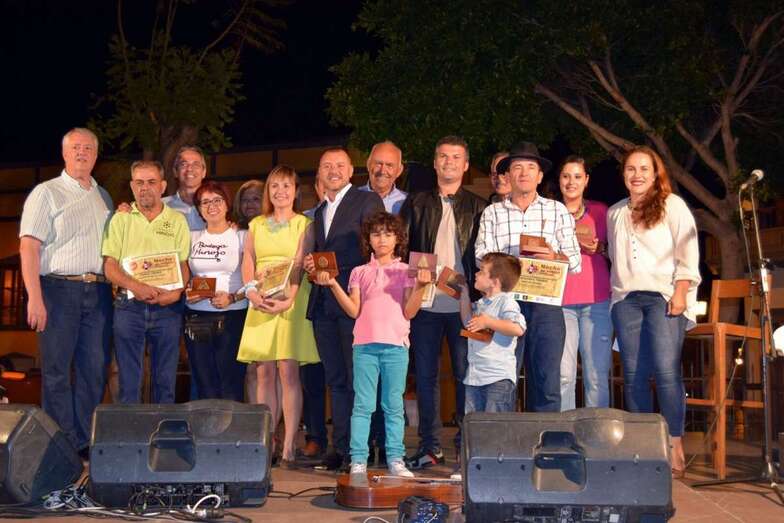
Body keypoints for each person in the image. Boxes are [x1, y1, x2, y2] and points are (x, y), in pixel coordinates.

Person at [313, 211, 430, 477]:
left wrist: (421, 286)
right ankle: (359, 460)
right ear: (368, 239)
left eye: (388, 233)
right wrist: (333, 284)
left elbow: (410, 312)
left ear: (398, 238)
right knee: (363, 406)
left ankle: (395, 459)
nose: (382, 239)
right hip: (364, 346)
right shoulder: (359, 272)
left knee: (393, 406)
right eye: (376, 234)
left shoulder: (406, 271)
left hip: (396, 347)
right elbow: (354, 310)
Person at [18, 127, 113, 456]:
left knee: (95, 369)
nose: (82, 153)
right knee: (57, 371)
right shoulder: (47, 192)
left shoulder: (104, 198)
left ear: (96, 155)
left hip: (99, 293)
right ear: (64, 153)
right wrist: (34, 296)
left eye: (88, 148)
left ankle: (85, 440)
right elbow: (29, 245)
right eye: (76, 148)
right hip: (59, 290)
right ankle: (62, 443)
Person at [607, 145, 700, 477]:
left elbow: (687, 249)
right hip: (626, 301)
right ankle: (645, 445)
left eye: (644, 168)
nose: (637, 174)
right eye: (631, 168)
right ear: (624, 174)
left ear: (656, 172)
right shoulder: (615, 212)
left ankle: (674, 441)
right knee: (632, 375)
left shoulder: (672, 205)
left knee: (665, 371)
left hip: (664, 297)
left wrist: (681, 290)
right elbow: (617, 259)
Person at [400, 136, 487, 469]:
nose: (449, 162)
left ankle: (467, 445)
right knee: (425, 377)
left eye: (456, 157)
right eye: (443, 157)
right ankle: (429, 447)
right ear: (435, 163)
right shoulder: (416, 203)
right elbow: (404, 251)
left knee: (468, 375)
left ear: (466, 165)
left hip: (465, 307)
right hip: (425, 306)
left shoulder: (479, 207)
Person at [475, 141, 581, 413]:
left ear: (540, 176)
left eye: (530, 167)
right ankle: (504, 448)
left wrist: (552, 258)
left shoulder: (557, 210)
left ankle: (545, 445)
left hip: (546, 304)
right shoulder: (492, 212)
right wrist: (513, 263)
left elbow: (575, 260)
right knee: (501, 378)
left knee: (546, 379)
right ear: (507, 176)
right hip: (504, 304)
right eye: (516, 167)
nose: (523, 173)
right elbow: (481, 255)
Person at [303, 148, 385, 471]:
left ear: (351, 170)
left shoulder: (366, 202)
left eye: (339, 165)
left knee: (357, 381)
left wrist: (341, 275)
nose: (333, 171)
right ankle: (339, 448)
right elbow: (325, 255)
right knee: (335, 380)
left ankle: (360, 449)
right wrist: (314, 263)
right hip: (323, 305)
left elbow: (374, 251)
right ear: (319, 173)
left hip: (355, 304)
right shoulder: (321, 209)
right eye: (326, 166)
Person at [237, 165, 320, 468]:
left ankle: (288, 446)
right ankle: (265, 440)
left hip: (290, 300)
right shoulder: (257, 223)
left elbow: (299, 264)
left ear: (295, 191)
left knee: (288, 371)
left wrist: (290, 299)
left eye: (286, 186)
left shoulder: (304, 224)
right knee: (263, 372)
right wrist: (250, 291)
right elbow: (249, 258)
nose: (280, 192)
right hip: (260, 297)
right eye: (274, 186)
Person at [102, 160, 191, 404]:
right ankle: (131, 438)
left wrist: (176, 292)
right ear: (132, 186)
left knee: (165, 381)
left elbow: (183, 266)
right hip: (129, 306)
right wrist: (137, 287)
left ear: (162, 186)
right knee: (128, 381)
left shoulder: (177, 221)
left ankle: (163, 438)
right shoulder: (120, 220)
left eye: (151, 182)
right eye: (139, 182)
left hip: (168, 309)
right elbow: (109, 267)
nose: (145, 188)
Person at [451, 252, 526, 480]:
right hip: (474, 377)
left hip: (497, 379)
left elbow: (518, 328)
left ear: (495, 281)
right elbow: (468, 323)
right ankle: (469, 468)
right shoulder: (482, 303)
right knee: (472, 426)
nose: (476, 273)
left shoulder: (506, 301)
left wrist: (488, 321)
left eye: (481, 271)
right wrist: (464, 295)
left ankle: (497, 472)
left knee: (494, 426)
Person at [557, 156, 612, 410]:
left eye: (577, 176)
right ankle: (563, 436)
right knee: (564, 376)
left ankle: (597, 437)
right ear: (559, 180)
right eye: (566, 176)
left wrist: (600, 247)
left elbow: (618, 251)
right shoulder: (549, 212)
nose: (571, 182)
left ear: (586, 180)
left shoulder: (601, 212)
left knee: (596, 375)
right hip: (561, 303)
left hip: (598, 301)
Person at [184, 180, 248, 401]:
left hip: (233, 314)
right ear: (199, 209)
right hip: (196, 316)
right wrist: (187, 291)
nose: (212, 206)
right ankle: (207, 433)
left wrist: (232, 297)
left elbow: (254, 280)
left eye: (217, 200)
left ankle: (232, 434)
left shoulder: (242, 236)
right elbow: (182, 275)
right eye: (205, 202)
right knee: (204, 381)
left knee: (231, 380)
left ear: (227, 204)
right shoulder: (191, 237)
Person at [300, 173, 328, 459]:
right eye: (320, 183)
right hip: (311, 304)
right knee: (312, 377)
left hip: (345, 303)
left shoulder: (354, 212)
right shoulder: (306, 220)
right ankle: (315, 436)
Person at [163, 146, 209, 230]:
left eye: (196, 164)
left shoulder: (216, 208)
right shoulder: (161, 207)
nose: (190, 169)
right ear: (175, 172)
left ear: (204, 172)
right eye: (183, 164)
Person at [360, 141, 408, 215]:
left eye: (389, 165)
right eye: (378, 164)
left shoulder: (408, 203)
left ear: (399, 170)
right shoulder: (351, 198)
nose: (382, 171)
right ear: (368, 165)